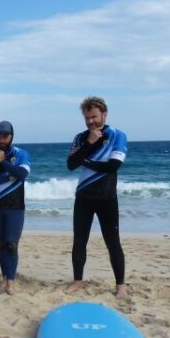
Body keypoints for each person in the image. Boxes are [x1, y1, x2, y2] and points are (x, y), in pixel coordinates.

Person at [66, 96, 128, 297]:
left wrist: (86, 161)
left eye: (94, 117)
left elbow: (112, 167)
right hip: (83, 197)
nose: (90, 121)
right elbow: (71, 164)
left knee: (112, 242)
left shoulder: (117, 135)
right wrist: (89, 144)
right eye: (87, 118)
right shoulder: (80, 138)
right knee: (79, 241)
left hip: (106, 198)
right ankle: (77, 281)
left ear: (104, 114)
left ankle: (120, 285)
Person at [0, 121, 31, 295]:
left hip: (15, 206)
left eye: (5, 136)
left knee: (11, 244)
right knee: (1, 244)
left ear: (11, 136)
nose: (1, 139)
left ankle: (10, 282)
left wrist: (4, 163)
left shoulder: (21, 154)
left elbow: (22, 174)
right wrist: (8, 177)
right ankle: (5, 276)